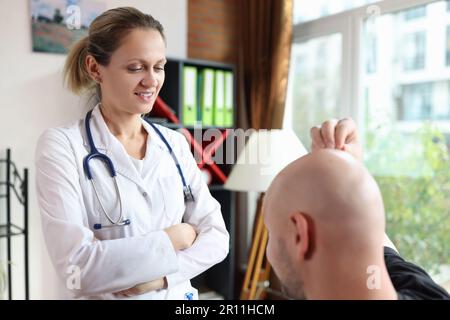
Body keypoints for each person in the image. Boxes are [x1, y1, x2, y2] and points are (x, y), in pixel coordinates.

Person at [35, 7, 229, 300]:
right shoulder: (62, 146)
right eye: (136, 68)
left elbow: (217, 237)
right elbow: (77, 268)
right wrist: (174, 237)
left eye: (159, 66)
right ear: (95, 68)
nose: (151, 81)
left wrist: (163, 277)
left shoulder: (174, 145)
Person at [262, 118, 450, 299]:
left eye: (270, 231)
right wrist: (344, 173)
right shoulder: (427, 292)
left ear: (300, 235)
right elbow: (361, 233)